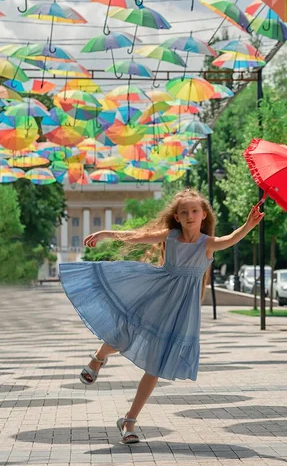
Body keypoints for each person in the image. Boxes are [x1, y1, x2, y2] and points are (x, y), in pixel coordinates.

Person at [59, 189, 264, 445]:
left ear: (203, 215)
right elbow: (139, 237)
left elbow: (231, 239)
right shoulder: (172, 236)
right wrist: (107, 234)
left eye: (194, 211)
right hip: (157, 294)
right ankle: (98, 359)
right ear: (177, 217)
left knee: (155, 366)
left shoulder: (208, 244)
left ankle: (129, 421)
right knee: (127, 333)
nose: (189, 216)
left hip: (180, 311)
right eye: (184, 212)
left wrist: (249, 224)